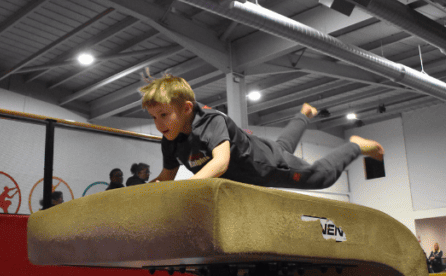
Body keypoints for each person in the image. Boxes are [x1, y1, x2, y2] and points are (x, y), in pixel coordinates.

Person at [139, 75, 384, 190]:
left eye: (164, 115)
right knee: (281, 147)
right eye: (153, 117)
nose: (159, 124)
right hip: (260, 152)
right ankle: (303, 114)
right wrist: (145, 191)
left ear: (186, 108)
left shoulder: (210, 122)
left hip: (266, 167)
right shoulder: (170, 139)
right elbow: (166, 176)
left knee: (320, 177)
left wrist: (186, 188)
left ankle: (355, 145)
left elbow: (220, 163)